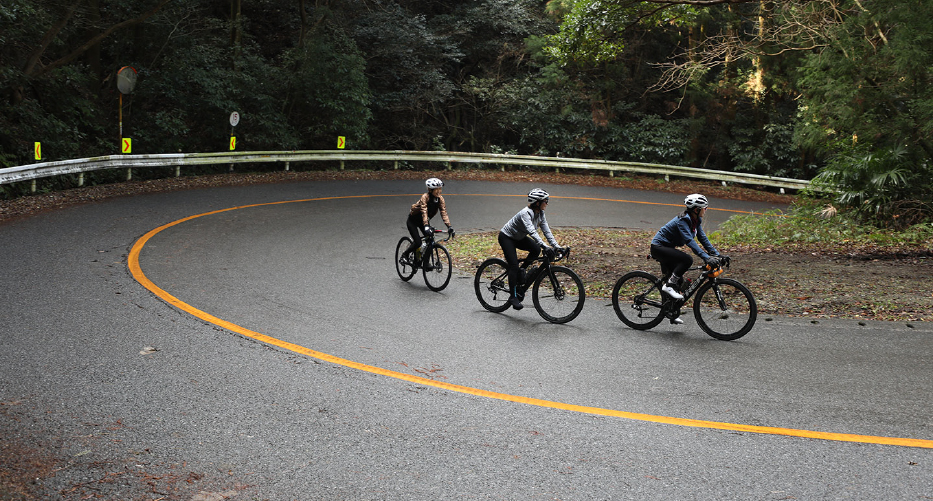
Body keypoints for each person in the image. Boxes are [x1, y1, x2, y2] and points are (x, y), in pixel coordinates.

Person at [650, 193, 725, 323]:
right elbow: (690, 241)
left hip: (668, 248)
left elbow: (702, 238)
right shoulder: (683, 220)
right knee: (687, 260)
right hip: (659, 247)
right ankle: (668, 285)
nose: (705, 210)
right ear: (696, 209)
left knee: (679, 283)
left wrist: (717, 254)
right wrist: (706, 258)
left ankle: (671, 312)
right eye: (704, 208)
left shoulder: (696, 220)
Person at [498, 188, 563, 310]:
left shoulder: (541, 214)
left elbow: (546, 231)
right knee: (513, 266)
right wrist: (545, 246)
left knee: (536, 250)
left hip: (519, 237)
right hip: (507, 237)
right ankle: (513, 296)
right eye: (546, 200)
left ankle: (519, 273)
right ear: (537, 202)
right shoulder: (525, 213)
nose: (547, 203)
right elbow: (532, 231)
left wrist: (557, 247)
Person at [402, 178, 454, 266]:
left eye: (440, 189)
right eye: (436, 189)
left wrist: (449, 226)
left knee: (430, 240)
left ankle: (425, 263)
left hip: (423, 222)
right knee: (418, 242)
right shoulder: (425, 197)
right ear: (430, 190)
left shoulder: (440, 199)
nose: (439, 191)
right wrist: (426, 225)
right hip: (413, 221)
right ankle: (405, 255)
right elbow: (424, 211)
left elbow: (443, 212)